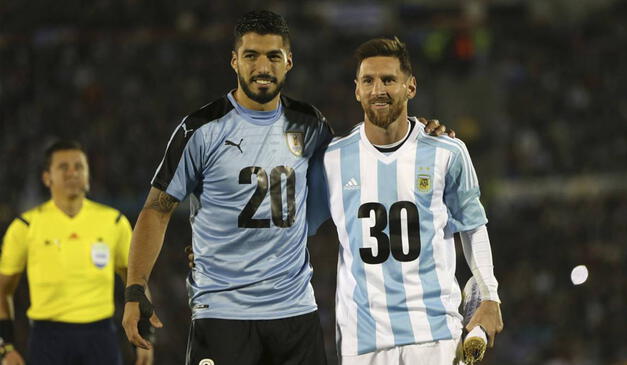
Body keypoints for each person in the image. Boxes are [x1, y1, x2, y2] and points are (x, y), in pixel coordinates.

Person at [122, 10, 448, 365]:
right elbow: (157, 207)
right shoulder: (200, 129)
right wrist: (136, 288)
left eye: (273, 56)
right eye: (251, 56)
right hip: (222, 313)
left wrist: (420, 132)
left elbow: (365, 157)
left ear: (289, 61)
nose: (263, 66)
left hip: (294, 313)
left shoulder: (310, 125)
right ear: (234, 61)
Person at [307, 37, 503, 364]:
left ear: (410, 87)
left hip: (435, 335)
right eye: (368, 80)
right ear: (356, 89)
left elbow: (472, 227)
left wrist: (491, 296)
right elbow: (293, 228)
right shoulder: (332, 160)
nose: (378, 89)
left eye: (388, 80)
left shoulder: (447, 152)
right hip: (362, 341)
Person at [0, 140, 153, 365]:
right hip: (47, 338)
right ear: (47, 177)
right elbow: (3, 291)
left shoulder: (114, 222)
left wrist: (145, 336)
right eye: (63, 167)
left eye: (79, 167)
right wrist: (6, 347)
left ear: (88, 175)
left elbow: (136, 283)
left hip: (100, 336)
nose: (72, 173)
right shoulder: (25, 226)